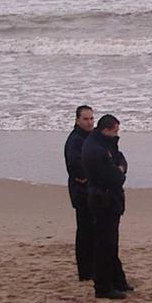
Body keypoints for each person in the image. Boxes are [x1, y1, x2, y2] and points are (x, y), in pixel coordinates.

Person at [81, 114, 132, 300]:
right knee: (104, 244)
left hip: (108, 199)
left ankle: (117, 280)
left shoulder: (103, 144)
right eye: (115, 131)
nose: (117, 134)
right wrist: (119, 170)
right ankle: (103, 287)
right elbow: (115, 177)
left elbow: (121, 159)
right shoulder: (97, 150)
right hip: (103, 200)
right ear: (106, 130)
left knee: (111, 243)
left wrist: (120, 167)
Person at [64, 105, 96, 281]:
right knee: (85, 231)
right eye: (86, 119)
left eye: (91, 118)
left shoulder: (91, 136)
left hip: (91, 190)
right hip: (81, 192)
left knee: (92, 230)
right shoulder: (75, 140)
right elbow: (75, 167)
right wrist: (88, 177)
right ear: (77, 120)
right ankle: (85, 271)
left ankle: (91, 267)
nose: (90, 122)